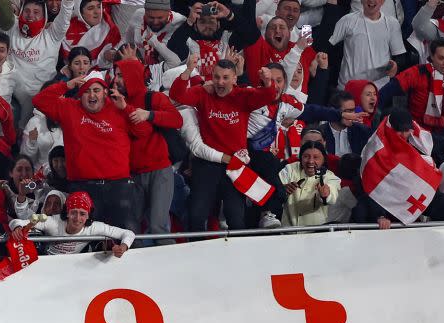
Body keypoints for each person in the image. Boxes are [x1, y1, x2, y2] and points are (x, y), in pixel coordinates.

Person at [169, 57, 280, 231]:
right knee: (197, 215)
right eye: (217, 77)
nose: (220, 82)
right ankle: (197, 256)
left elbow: (270, 95)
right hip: (206, 165)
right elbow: (176, 95)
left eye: (226, 78)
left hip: (234, 166)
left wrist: (267, 81)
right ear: (212, 76)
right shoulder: (203, 93)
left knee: (236, 219)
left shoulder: (243, 96)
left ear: (235, 79)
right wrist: (189, 70)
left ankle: (237, 257)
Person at [32, 72, 151, 233]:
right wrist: (67, 85)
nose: (92, 95)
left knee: (126, 238)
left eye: (96, 90)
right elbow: (39, 100)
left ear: (105, 92)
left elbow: (143, 132)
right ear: (80, 95)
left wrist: (126, 108)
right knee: (86, 240)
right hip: (83, 187)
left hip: (119, 187)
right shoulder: (69, 108)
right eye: (87, 91)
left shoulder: (119, 108)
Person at [114, 57, 182, 244]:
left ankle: (168, 270)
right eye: (115, 75)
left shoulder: (153, 97)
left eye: (121, 75)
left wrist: (149, 114)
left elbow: (177, 120)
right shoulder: (117, 102)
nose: (116, 80)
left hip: (159, 170)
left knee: (158, 225)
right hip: (132, 174)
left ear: (133, 76)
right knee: (130, 229)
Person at [379, 38, 444, 135]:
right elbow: (384, 93)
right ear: (432, 56)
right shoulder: (417, 73)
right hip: (417, 130)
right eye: (441, 58)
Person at [9, 0, 75, 127]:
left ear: (44, 16)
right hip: (11, 97)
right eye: (27, 11)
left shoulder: (52, 35)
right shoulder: (12, 28)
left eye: (36, 12)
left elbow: (66, 14)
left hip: (39, 101)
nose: (30, 15)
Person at [328, 0, 405, 89]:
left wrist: (396, 66)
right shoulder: (347, 20)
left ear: (383, 1)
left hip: (379, 89)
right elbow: (328, 46)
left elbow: (400, 57)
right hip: (349, 88)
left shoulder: (392, 23)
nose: (371, 1)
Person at [279, 141, 341, 226]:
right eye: (306, 156)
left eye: (316, 157)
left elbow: (332, 196)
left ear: (323, 159)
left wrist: (326, 194)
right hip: (288, 232)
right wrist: (282, 189)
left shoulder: (329, 176)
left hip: (316, 233)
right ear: (300, 157)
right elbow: (274, 189)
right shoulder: (290, 169)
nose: (310, 161)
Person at [319, 91, 372, 157]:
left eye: (353, 110)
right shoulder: (320, 133)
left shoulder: (363, 131)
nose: (352, 115)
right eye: (348, 111)